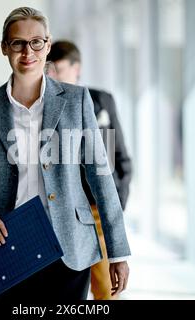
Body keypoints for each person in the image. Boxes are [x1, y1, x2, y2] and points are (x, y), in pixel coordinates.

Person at [0, 7, 130, 301]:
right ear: (4, 48)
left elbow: (101, 177)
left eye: (37, 42)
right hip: (7, 245)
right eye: (18, 43)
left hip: (70, 248)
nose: (28, 52)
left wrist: (118, 252)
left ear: (47, 46)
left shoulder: (76, 100)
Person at [46, 40, 132, 300]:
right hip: (63, 210)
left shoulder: (100, 100)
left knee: (106, 289)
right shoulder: (45, 106)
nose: (53, 75)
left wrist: (117, 203)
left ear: (77, 68)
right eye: (49, 69)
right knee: (67, 287)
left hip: (98, 209)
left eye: (58, 69)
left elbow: (121, 157)